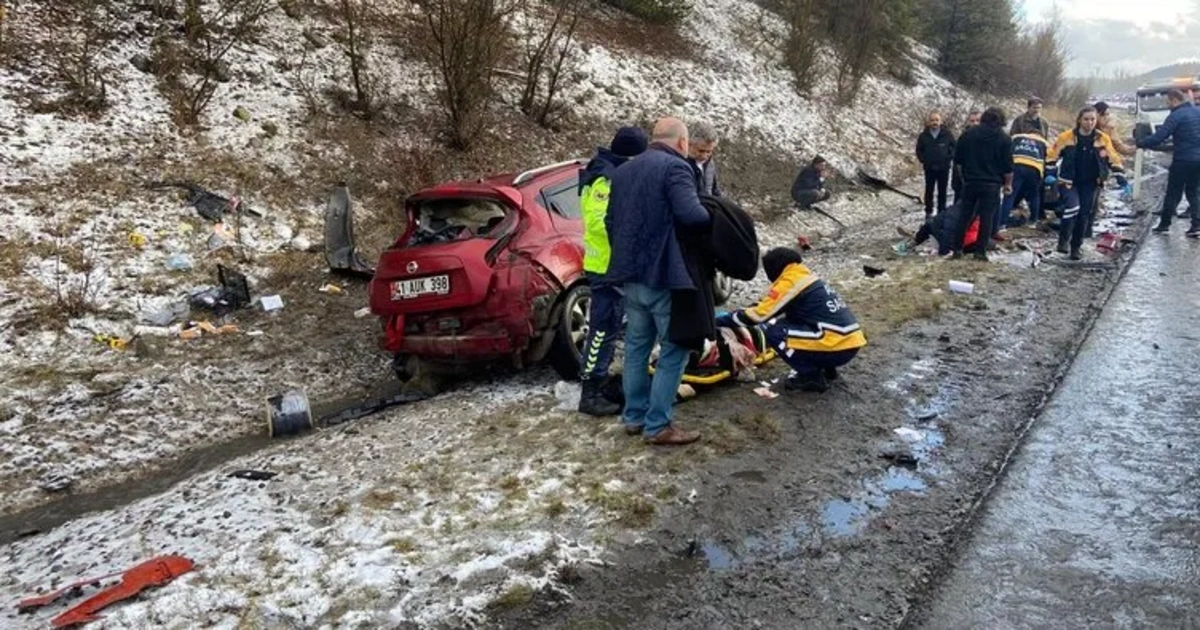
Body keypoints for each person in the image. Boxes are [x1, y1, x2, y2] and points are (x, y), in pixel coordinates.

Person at [605, 117, 711, 446]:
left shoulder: (622, 171)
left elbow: (610, 221)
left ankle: (634, 417)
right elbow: (692, 215)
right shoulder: (675, 168)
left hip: (630, 275)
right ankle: (658, 425)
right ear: (682, 143)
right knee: (674, 349)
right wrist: (715, 215)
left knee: (636, 348)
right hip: (664, 276)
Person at [716, 247, 865, 393]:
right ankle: (828, 370)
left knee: (775, 332)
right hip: (849, 341)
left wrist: (719, 321)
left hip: (836, 344)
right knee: (794, 322)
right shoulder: (805, 277)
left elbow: (758, 315)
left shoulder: (790, 282)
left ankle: (811, 377)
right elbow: (767, 304)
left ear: (774, 268)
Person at [576, 126, 649, 417]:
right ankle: (590, 392)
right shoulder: (604, 178)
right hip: (606, 266)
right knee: (602, 330)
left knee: (611, 326)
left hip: (613, 265)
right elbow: (598, 222)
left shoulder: (611, 172)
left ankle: (602, 381)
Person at [1046, 106, 1125, 259]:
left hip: (1091, 182)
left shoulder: (1102, 138)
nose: (1090, 123)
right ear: (1079, 120)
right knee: (1072, 207)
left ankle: (1076, 246)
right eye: (1086, 119)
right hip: (1069, 181)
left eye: (1093, 119)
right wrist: (1049, 172)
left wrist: (1119, 174)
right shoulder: (1066, 137)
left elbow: (1112, 157)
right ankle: (1063, 241)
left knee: (1084, 215)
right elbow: (1052, 154)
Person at [1136, 89, 1200, 237]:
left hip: (1183, 160)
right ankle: (1196, 225)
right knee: (1194, 192)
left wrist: (1140, 143)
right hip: (1198, 160)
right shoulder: (1197, 111)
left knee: (1173, 192)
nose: (1168, 105)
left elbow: (1160, 136)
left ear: (1174, 100)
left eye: (1168, 102)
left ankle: (1164, 225)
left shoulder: (1175, 115)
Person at [952, 106, 1013, 260]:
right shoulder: (1004, 139)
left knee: (964, 216)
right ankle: (980, 252)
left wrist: (964, 178)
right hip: (992, 184)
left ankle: (957, 249)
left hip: (971, 181)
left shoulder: (968, 134)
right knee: (987, 219)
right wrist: (1008, 184)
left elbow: (958, 160)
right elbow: (1008, 166)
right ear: (1001, 121)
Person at [998, 127, 1049, 231]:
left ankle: (1002, 223)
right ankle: (1033, 221)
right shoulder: (1044, 142)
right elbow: (1049, 159)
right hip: (1035, 168)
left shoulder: (1017, 137)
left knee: (1010, 194)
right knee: (1035, 195)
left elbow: (1006, 150)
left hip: (1017, 165)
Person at [895, 198, 981, 256]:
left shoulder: (961, 209)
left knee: (929, 226)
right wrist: (944, 252)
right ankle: (915, 241)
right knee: (930, 226)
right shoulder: (961, 213)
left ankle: (915, 241)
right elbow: (949, 230)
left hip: (950, 235)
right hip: (946, 234)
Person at [916, 111, 955, 218]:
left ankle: (941, 211)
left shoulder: (947, 134)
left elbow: (954, 147)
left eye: (937, 120)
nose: (934, 122)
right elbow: (919, 150)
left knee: (942, 190)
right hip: (929, 168)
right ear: (928, 122)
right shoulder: (923, 136)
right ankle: (928, 211)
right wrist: (924, 160)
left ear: (941, 121)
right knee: (929, 190)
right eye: (932, 120)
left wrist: (948, 158)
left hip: (944, 168)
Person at [952, 109, 982, 202]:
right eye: (972, 121)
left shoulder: (986, 138)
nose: (975, 123)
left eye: (978, 120)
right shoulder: (963, 137)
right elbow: (957, 159)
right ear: (968, 122)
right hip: (963, 179)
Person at [688, 122, 721, 197]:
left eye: (709, 151)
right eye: (701, 151)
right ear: (688, 144)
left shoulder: (710, 163)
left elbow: (714, 190)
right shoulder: (679, 164)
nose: (704, 156)